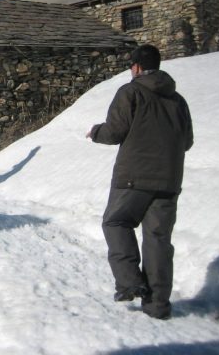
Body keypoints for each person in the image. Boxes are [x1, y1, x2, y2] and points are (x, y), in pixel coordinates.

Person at [86, 44, 194, 320]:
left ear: (135, 67)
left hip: (133, 177)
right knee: (158, 239)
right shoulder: (178, 100)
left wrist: (95, 131)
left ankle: (130, 282)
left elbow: (114, 132)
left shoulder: (130, 91)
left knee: (116, 222)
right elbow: (187, 141)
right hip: (169, 180)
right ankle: (158, 306)